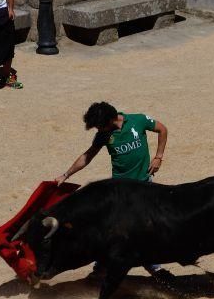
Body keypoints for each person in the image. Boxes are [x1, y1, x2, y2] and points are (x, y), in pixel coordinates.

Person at [54, 102, 171, 279]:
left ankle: (111, 268)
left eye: (100, 125)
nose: (99, 130)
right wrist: (65, 174)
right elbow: (87, 156)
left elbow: (162, 129)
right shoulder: (103, 134)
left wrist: (158, 157)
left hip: (144, 187)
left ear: (110, 119)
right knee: (121, 229)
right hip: (120, 192)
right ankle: (141, 267)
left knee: (134, 229)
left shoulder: (137, 120)